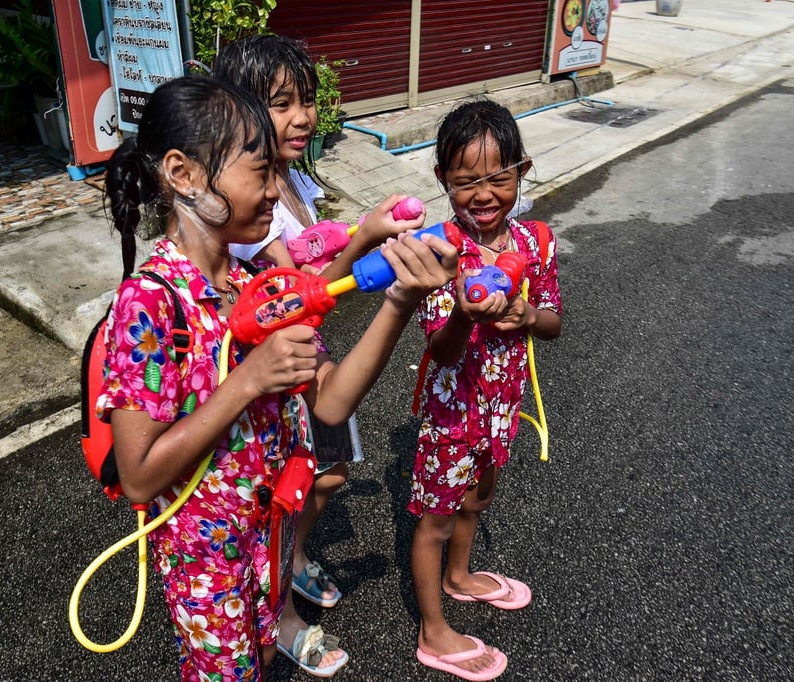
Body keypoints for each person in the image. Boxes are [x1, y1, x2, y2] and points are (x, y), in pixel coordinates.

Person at [96, 74, 457, 682]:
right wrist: (246, 383)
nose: (273, 193)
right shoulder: (150, 305)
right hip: (207, 565)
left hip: (269, 541)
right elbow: (138, 477)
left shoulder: (246, 285)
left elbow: (332, 403)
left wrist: (399, 300)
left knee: (263, 657)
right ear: (183, 176)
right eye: (259, 173)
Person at [212, 34, 423, 677]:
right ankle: (282, 613)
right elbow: (297, 296)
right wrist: (364, 241)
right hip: (277, 365)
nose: (302, 117)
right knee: (283, 489)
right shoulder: (247, 203)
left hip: (311, 353)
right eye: (282, 103)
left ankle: (292, 560)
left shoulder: (293, 180)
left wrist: (367, 246)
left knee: (325, 475)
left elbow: (313, 274)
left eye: (306, 100)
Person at [408, 98, 563, 681]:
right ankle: (432, 628)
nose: (484, 193)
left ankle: (460, 576)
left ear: (521, 170)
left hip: (503, 409)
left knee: (479, 496)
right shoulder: (438, 251)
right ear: (442, 180)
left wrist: (524, 314)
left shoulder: (537, 242)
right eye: (466, 180)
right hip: (452, 414)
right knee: (435, 519)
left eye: (498, 177)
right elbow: (440, 350)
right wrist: (466, 318)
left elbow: (553, 322)